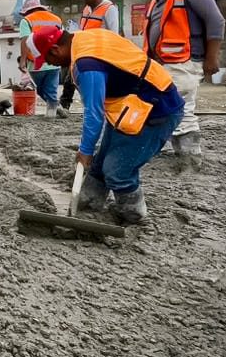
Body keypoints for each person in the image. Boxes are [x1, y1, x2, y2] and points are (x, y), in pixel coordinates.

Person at [30, 26, 184, 224]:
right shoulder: (85, 38)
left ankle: (134, 217)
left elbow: (94, 114)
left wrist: (85, 151)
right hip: (129, 104)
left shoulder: (86, 65)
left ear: (54, 49)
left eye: (49, 60)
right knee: (100, 165)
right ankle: (86, 208)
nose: (52, 65)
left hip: (155, 107)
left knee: (118, 172)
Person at [141, 0, 225, 163]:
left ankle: (190, 157)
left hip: (184, 62)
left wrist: (212, 58)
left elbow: (216, 21)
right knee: (165, 106)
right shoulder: (157, 1)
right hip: (163, 64)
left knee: (180, 106)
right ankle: (180, 151)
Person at [61, 0, 118, 109]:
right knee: (71, 75)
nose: (84, 1)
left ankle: (101, 105)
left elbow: (113, 32)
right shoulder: (87, 9)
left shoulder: (109, 9)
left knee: (92, 80)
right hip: (83, 48)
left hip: (99, 51)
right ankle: (64, 105)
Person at [17, 0, 66, 118]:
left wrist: (22, 60)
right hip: (54, 61)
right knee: (51, 90)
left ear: (27, 10)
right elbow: (64, 39)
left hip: (36, 63)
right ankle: (55, 108)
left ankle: (51, 115)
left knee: (40, 90)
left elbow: (25, 40)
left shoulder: (27, 20)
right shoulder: (56, 19)